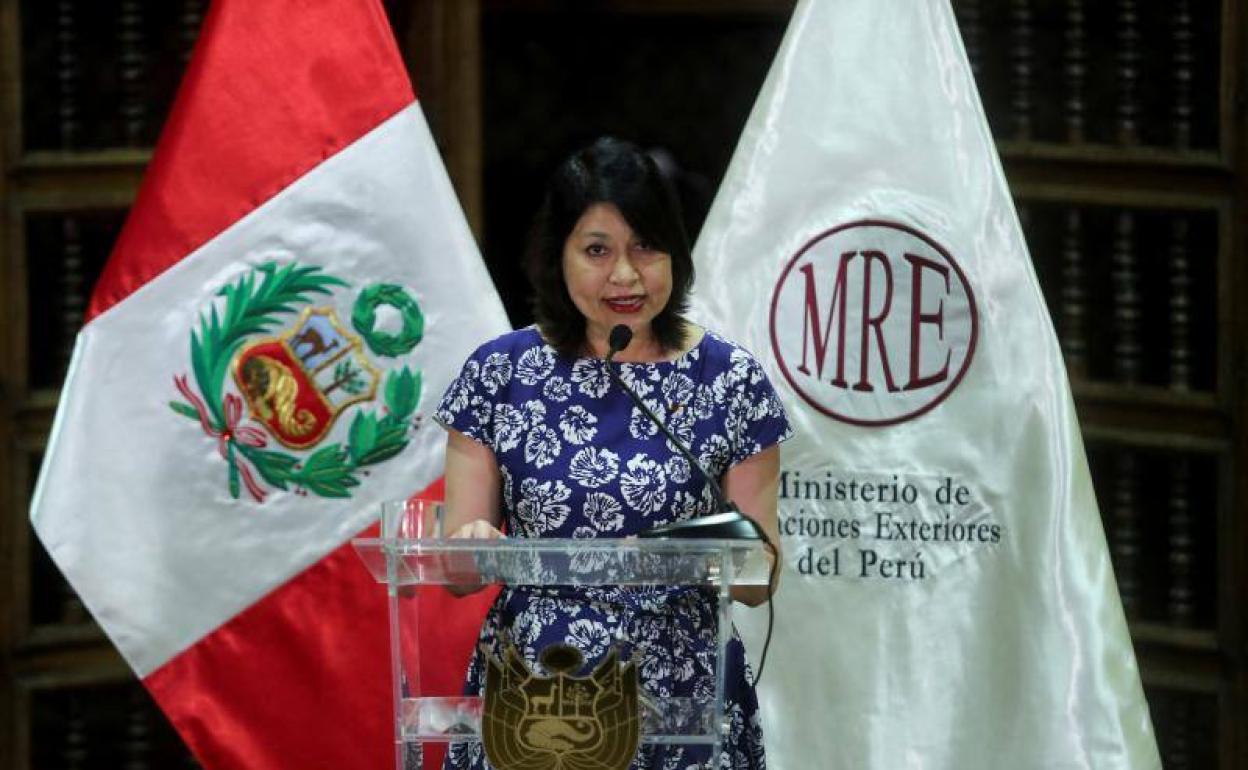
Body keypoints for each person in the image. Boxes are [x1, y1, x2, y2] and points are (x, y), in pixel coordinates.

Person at [434, 136, 791, 770]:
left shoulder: (731, 380)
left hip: (684, 693)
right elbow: (458, 571)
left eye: (646, 247)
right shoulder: (499, 374)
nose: (625, 275)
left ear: (676, 254)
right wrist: (474, 543)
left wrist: (696, 557)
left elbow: (760, 577)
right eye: (597, 250)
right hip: (539, 692)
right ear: (558, 257)